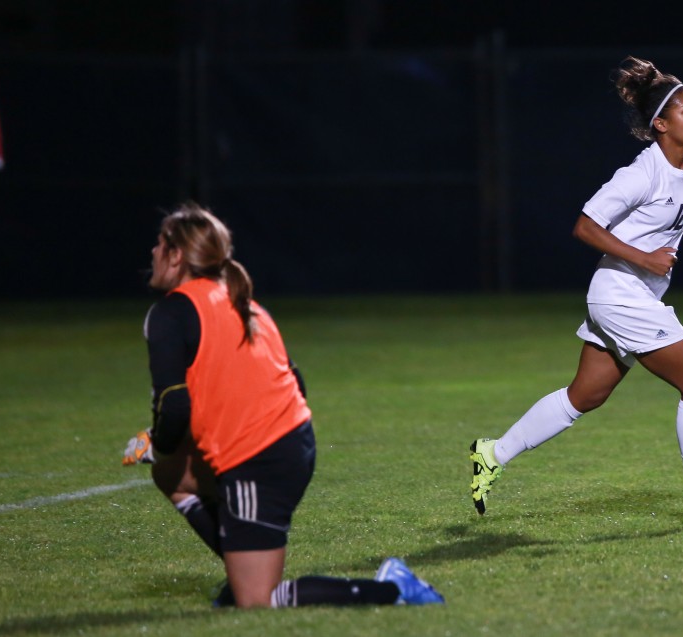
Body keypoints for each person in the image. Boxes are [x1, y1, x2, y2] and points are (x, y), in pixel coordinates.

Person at [468, 56, 683, 522]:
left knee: (584, 396)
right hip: (620, 294)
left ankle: (492, 453)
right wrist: (644, 258)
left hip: (632, 296)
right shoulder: (640, 173)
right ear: (661, 124)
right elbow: (585, 226)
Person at [123, 202, 443, 608]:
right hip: (291, 441)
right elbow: (296, 381)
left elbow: (174, 407)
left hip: (259, 457)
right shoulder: (242, 301)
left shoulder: (170, 314)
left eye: (159, 243)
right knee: (172, 475)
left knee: (257, 601)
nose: (152, 251)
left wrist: (158, 442)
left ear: (177, 255)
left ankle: (394, 588)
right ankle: (245, 560)